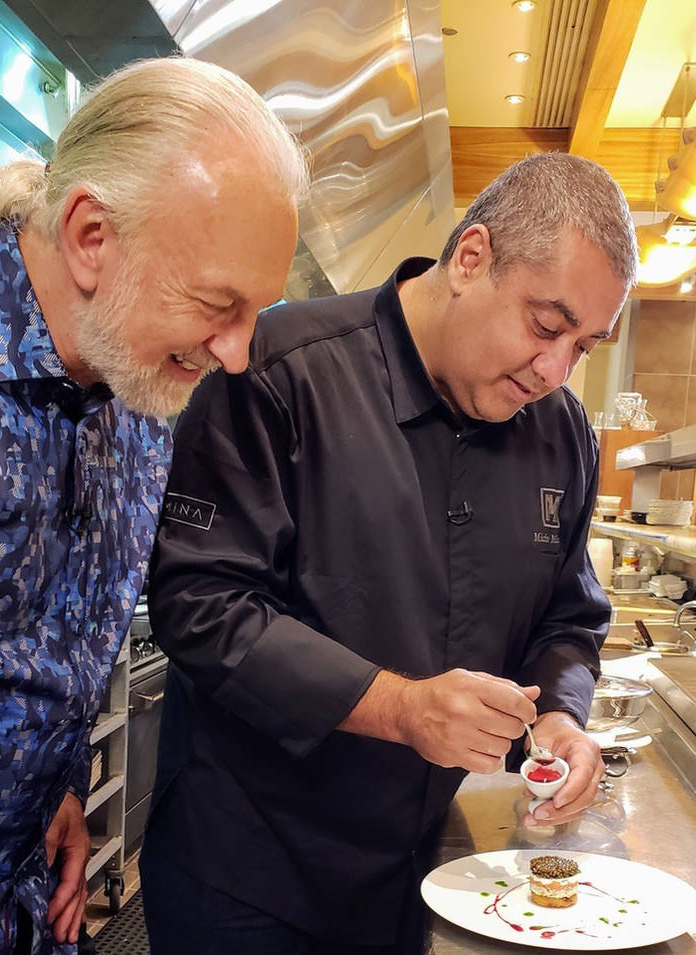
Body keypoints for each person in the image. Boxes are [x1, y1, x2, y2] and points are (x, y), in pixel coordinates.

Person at [0, 56, 306, 954]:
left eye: (255, 311)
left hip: (21, 909)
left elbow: (44, 647)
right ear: (91, 235)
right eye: (217, 303)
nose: (235, 353)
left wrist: (59, 785)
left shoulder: (138, 399)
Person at [141, 152, 637, 954]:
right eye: (547, 325)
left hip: (429, 871)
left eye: (584, 345)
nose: (555, 369)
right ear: (471, 258)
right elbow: (201, 605)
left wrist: (559, 716)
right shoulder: (278, 372)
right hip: (252, 874)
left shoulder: (564, 435)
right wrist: (401, 707)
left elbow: (570, 616)